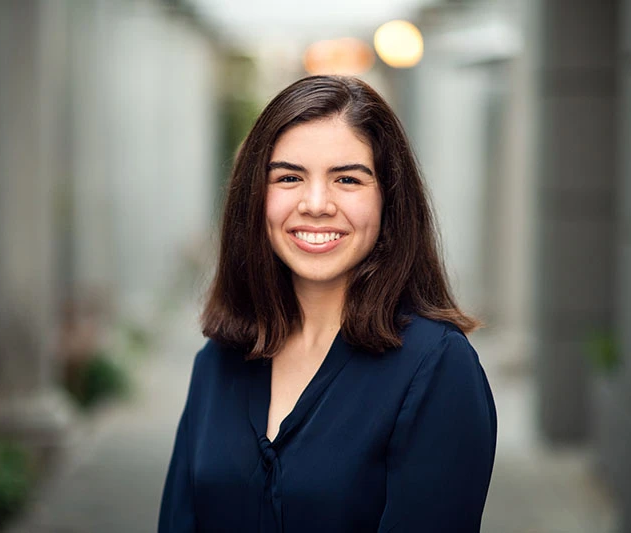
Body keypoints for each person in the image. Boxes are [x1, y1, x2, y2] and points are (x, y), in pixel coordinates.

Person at [158, 75, 496, 533]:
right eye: (290, 177)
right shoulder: (220, 358)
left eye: (347, 179)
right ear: (255, 197)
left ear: (388, 199)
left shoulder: (437, 368)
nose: (316, 204)